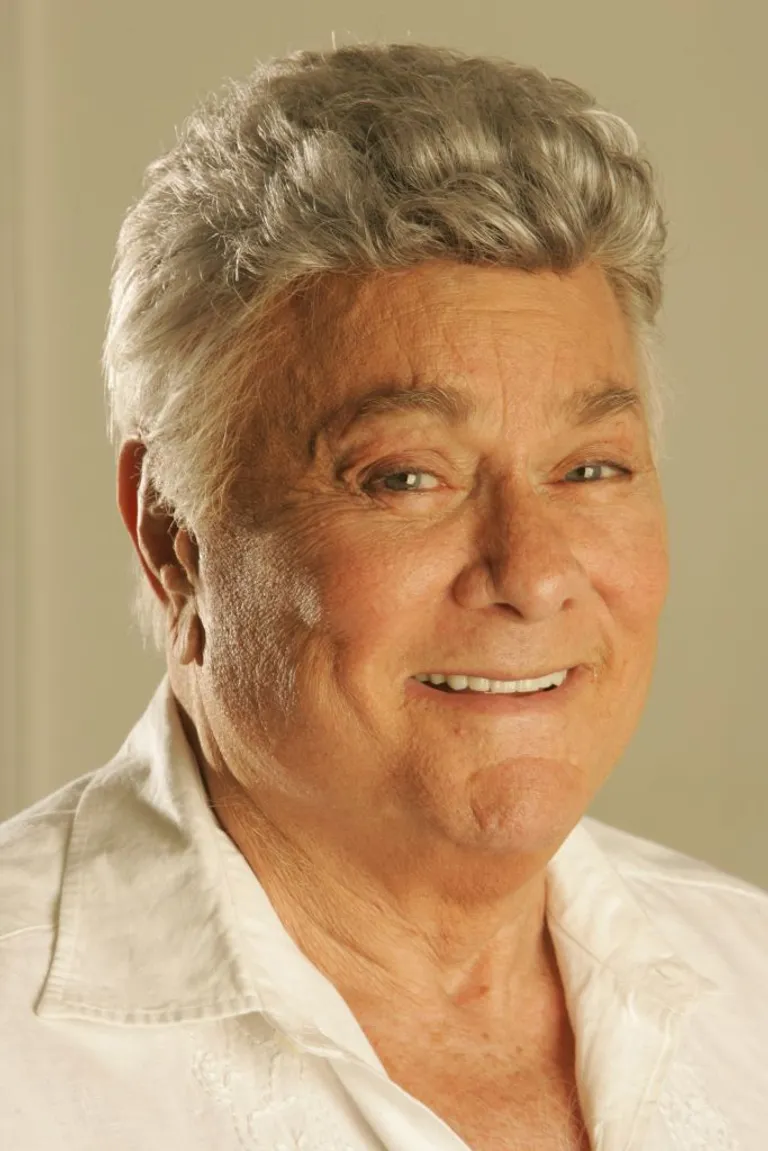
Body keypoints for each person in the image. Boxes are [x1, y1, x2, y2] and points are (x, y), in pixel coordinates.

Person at [0, 42, 765, 1151]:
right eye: (407, 476)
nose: (535, 568)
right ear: (174, 539)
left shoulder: (748, 986)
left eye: (591, 467)